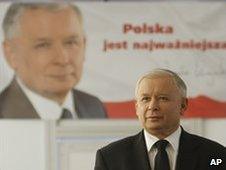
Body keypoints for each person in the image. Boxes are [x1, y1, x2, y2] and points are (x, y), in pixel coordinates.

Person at [94, 68, 226, 170]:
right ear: (137, 107)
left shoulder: (216, 155)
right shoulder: (110, 158)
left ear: (183, 105)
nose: (152, 106)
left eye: (163, 98)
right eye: (145, 99)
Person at [0, 3, 107, 119]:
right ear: (11, 53)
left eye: (71, 42)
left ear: (84, 46)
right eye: (43, 45)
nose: (63, 60)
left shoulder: (94, 107)